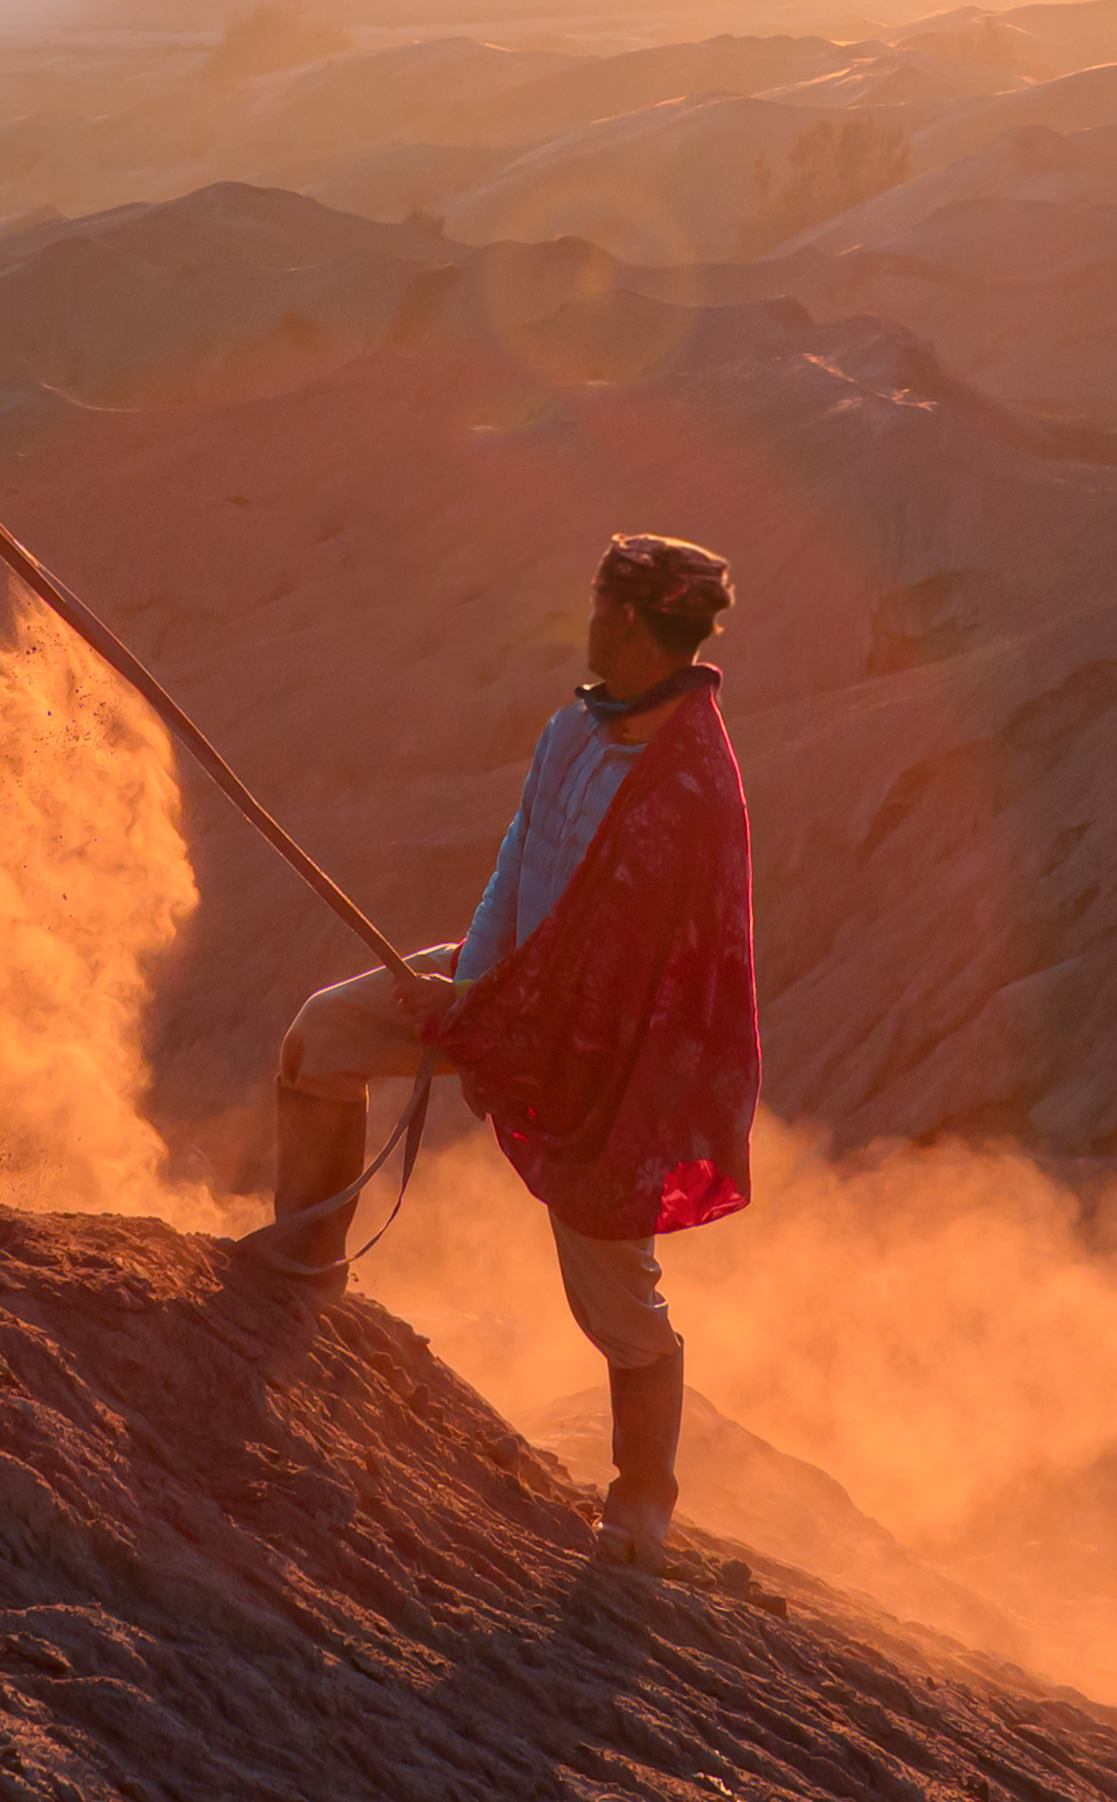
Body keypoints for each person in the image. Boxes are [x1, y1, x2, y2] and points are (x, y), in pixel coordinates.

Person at [247, 531, 760, 1566]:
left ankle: (643, 1497)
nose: (587, 617)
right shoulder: (575, 727)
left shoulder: (691, 788)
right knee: (325, 1036)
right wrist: (467, 987)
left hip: (610, 1052)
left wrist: (492, 1015)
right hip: (502, 983)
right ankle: (304, 1271)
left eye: (598, 602)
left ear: (624, 618)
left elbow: (630, 967)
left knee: (616, 1295)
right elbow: (518, 858)